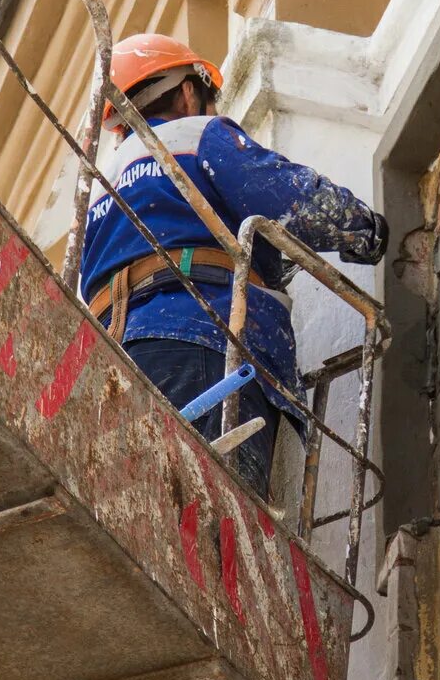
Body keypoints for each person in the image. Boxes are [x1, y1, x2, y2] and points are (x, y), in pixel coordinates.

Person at [80, 35, 388, 496]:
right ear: (189, 91)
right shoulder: (197, 134)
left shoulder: (100, 188)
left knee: (140, 511)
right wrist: (365, 230)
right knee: (216, 514)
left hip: (113, 358)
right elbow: (290, 197)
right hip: (198, 338)